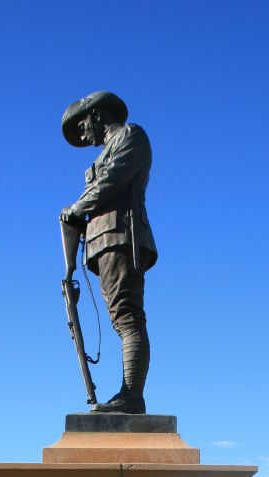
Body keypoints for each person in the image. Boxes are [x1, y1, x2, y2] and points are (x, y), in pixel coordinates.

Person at [60, 91, 157, 414]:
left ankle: (132, 395)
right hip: (102, 243)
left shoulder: (131, 136)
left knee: (128, 318)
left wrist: (77, 207)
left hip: (121, 237)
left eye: (82, 125)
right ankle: (129, 395)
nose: (83, 134)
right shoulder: (100, 155)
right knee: (122, 319)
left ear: (98, 114)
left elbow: (112, 181)